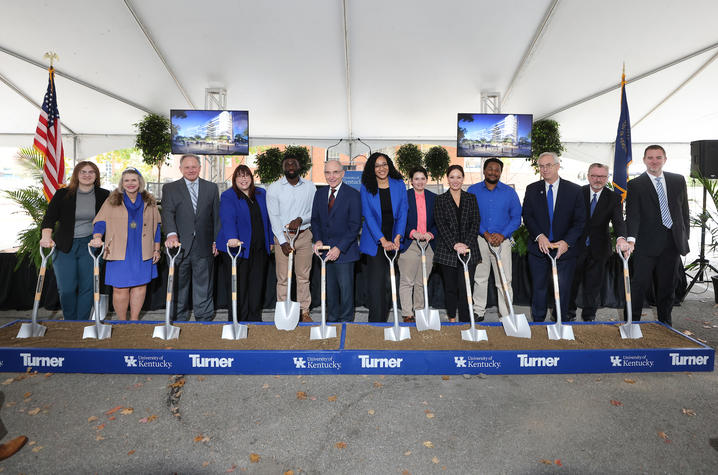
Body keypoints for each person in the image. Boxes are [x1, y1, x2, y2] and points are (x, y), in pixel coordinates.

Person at [625, 145, 689, 325]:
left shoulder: (678, 180)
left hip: (672, 244)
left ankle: (665, 325)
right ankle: (632, 324)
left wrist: (684, 238)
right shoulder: (635, 185)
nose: (654, 161)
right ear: (644, 160)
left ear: (665, 159)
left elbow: (683, 212)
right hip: (645, 245)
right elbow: (633, 215)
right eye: (650, 157)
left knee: (667, 289)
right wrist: (631, 240)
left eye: (658, 157)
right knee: (638, 287)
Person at [39, 161, 110, 320]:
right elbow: (49, 219)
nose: (87, 175)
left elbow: (110, 220)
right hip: (65, 246)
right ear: (76, 175)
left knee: (88, 288)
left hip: (91, 246)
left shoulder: (104, 195)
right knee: (67, 289)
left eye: (91, 172)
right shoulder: (62, 194)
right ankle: (70, 321)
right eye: (83, 172)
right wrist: (46, 236)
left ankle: (81, 323)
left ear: (96, 175)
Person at [522, 152, 586, 322]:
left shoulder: (575, 190)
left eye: (548, 165)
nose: (545, 169)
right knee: (539, 288)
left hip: (564, 251)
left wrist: (567, 242)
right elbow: (527, 216)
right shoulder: (532, 189)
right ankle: (538, 322)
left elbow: (580, 221)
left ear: (558, 166)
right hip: (539, 250)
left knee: (563, 290)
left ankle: (560, 321)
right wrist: (539, 236)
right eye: (541, 166)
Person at [90, 168, 161, 321]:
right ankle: (122, 321)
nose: (130, 183)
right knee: (120, 288)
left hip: (143, 249)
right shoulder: (112, 200)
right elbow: (101, 221)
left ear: (140, 182)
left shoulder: (150, 201)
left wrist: (157, 249)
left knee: (140, 286)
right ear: (122, 183)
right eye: (126, 180)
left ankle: (134, 321)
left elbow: (157, 226)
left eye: (133, 180)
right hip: (118, 249)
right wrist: (97, 237)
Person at [161, 154, 220, 321]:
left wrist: (216, 241)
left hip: (204, 245)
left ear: (200, 168)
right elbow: (167, 213)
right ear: (180, 169)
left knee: (204, 286)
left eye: (194, 166)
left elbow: (216, 217)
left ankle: (204, 320)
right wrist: (171, 234)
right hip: (178, 246)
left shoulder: (211, 188)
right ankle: (178, 320)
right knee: (178, 286)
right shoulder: (170, 188)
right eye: (187, 167)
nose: (191, 170)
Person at [568, 163, 628, 321]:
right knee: (570, 284)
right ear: (588, 176)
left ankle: (589, 317)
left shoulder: (614, 197)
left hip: (599, 249)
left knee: (593, 286)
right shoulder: (576, 193)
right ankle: (567, 315)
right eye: (594, 176)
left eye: (602, 176)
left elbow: (618, 221)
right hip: (575, 247)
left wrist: (622, 237)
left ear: (607, 178)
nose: (597, 179)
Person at [467, 158, 521, 322]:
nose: (493, 172)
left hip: (503, 242)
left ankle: (506, 314)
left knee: (504, 279)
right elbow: (470, 216)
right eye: (490, 169)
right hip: (480, 240)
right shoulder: (473, 190)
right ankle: (478, 312)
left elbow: (516, 218)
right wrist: (485, 233)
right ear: (484, 171)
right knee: (480, 278)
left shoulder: (509, 192)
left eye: (497, 169)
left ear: (500, 172)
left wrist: (502, 234)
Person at [216, 165, 273, 321]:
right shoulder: (229, 196)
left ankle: (254, 319)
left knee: (257, 284)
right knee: (238, 286)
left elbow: (267, 219)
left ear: (251, 178)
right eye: (240, 176)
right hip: (237, 248)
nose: (244, 179)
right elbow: (227, 218)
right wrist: (232, 237)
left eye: (246, 175)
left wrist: (269, 240)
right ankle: (237, 319)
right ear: (235, 179)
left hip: (259, 247)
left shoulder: (261, 193)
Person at [266, 148, 317, 322]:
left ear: (299, 165)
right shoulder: (274, 188)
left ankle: (304, 311)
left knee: (303, 276)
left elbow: (314, 211)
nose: (290, 166)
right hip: (283, 237)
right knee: (282, 277)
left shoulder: (310, 187)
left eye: (293, 163)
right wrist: (281, 241)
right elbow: (273, 216)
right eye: (287, 163)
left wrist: (301, 219)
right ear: (283, 167)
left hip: (304, 236)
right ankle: (282, 311)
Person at [359, 152, 408, 322]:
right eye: (377, 165)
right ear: (372, 169)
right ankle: (375, 323)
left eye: (384, 164)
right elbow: (368, 216)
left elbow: (403, 212)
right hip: (375, 242)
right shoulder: (366, 186)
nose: (382, 168)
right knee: (376, 285)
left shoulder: (399, 184)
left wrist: (398, 237)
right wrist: (383, 240)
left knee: (389, 284)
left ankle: (385, 320)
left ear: (389, 165)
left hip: (394, 241)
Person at [311, 160, 361, 322]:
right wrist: (318, 240)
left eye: (335, 172)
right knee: (329, 290)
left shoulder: (353, 194)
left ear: (342, 173)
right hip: (325, 252)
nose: (331, 176)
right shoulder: (319, 194)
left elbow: (354, 226)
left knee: (346, 291)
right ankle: (331, 322)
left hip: (344, 253)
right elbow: (315, 221)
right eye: (327, 173)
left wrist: (339, 248)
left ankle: (346, 323)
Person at [433, 165, 481, 323]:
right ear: (448, 179)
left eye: (458, 177)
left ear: (463, 179)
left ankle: (466, 322)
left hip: (469, 251)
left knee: (466, 287)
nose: (455, 180)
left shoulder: (471, 198)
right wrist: (455, 245)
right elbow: (441, 225)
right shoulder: (440, 200)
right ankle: (452, 318)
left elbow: (475, 223)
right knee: (451, 288)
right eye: (452, 177)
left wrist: (465, 245)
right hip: (448, 252)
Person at [398, 166, 438, 323]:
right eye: (416, 179)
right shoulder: (404, 197)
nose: (420, 182)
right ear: (411, 181)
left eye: (423, 178)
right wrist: (412, 232)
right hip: (410, 243)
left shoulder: (434, 198)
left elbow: (438, 222)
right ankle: (407, 314)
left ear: (426, 180)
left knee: (422, 281)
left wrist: (430, 233)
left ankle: (420, 311)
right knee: (407, 281)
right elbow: (399, 219)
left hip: (428, 245)